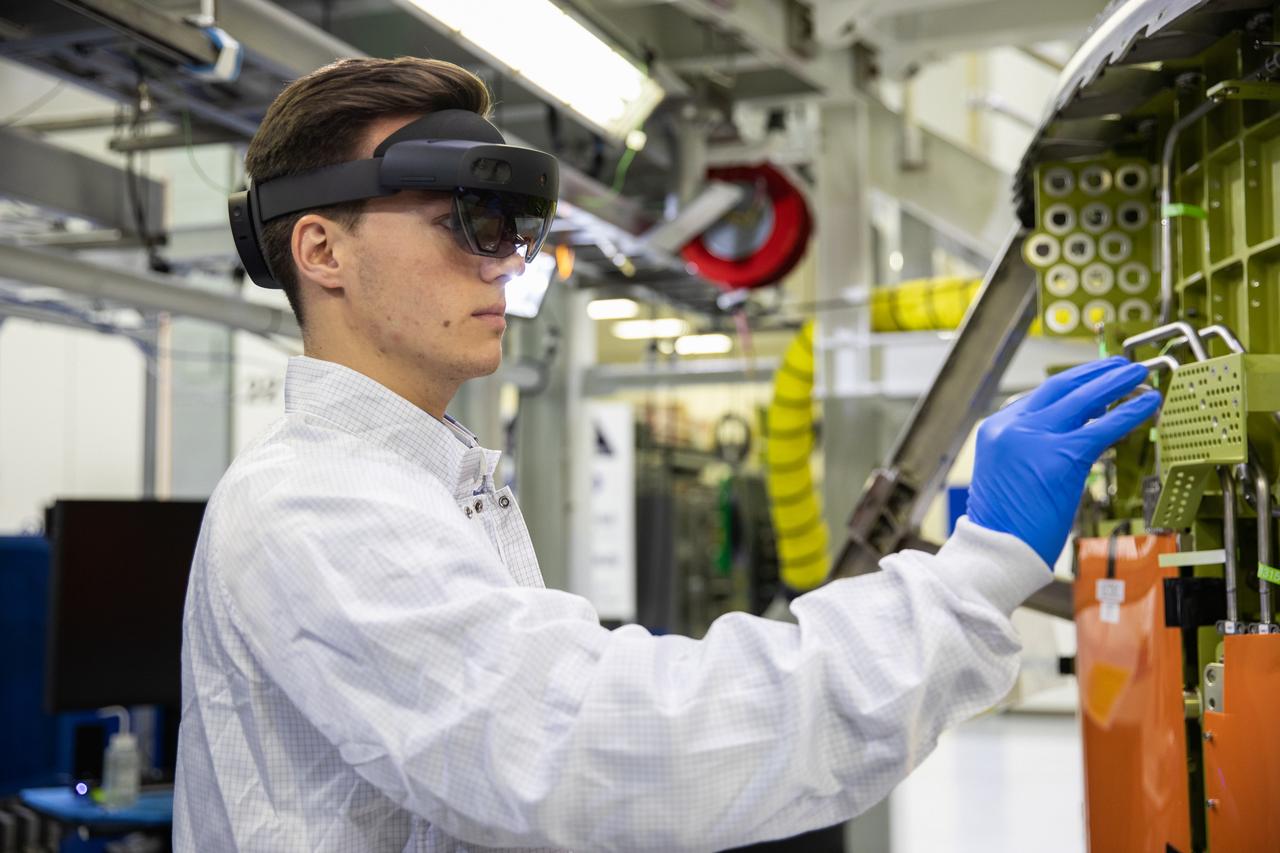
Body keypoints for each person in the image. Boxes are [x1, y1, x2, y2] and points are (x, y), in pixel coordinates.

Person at [173, 56, 1161, 852]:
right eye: (463, 222)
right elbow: (601, 750)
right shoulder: (319, 505)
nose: (505, 260)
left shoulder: (423, 482)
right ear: (320, 251)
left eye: (513, 228)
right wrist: (974, 575)